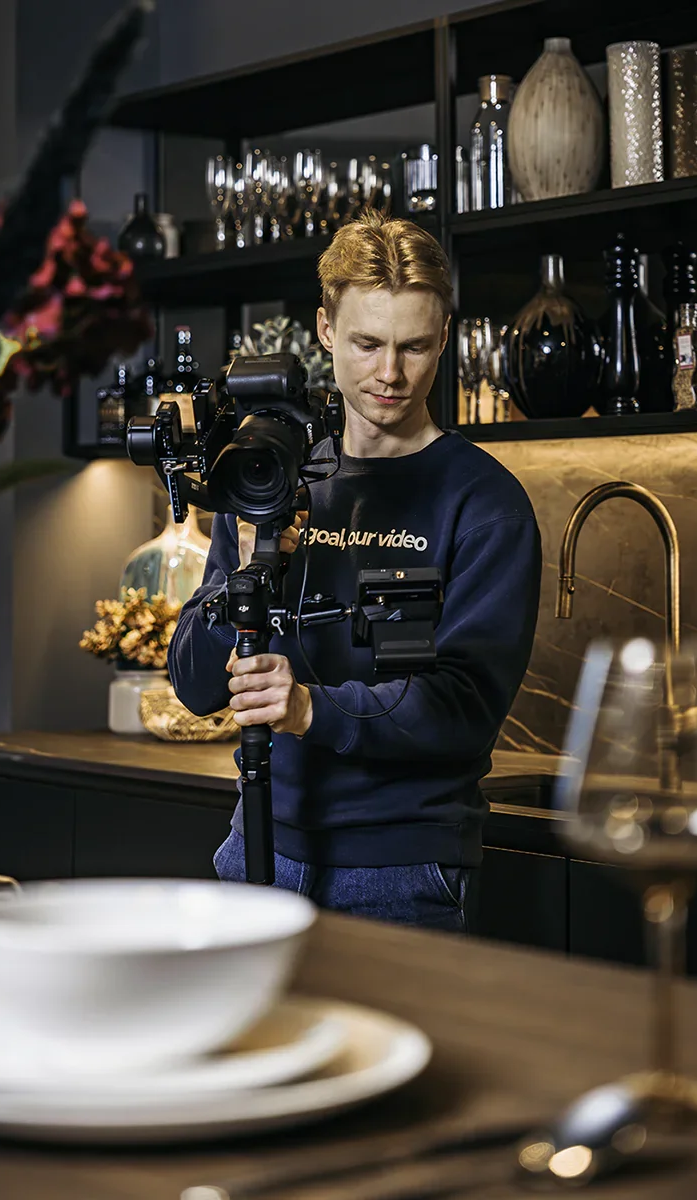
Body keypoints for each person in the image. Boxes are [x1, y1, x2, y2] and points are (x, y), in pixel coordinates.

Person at [168, 209, 541, 933]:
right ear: (324, 330)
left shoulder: (484, 502)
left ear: (443, 340)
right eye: (367, 343)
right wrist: (245, 561)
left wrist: (310, 709)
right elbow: (194, 685)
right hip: (256, 849)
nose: (390, 374)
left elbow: (464, 708)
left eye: (415, 347)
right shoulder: (265, 474)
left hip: (403, 869)